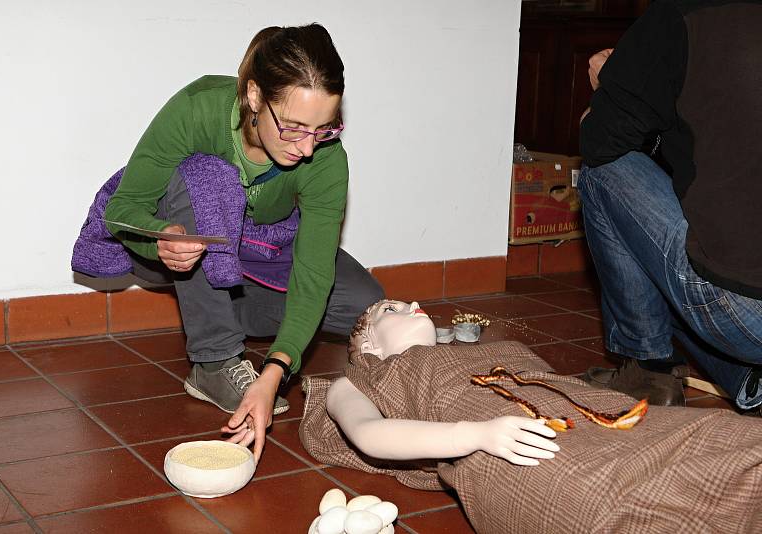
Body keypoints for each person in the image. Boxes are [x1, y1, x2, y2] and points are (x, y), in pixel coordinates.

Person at [101, 24, 383, 461]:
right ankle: (214, 359)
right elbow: (123, 211)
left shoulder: (326, 158)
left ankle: (220, 309)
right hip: (185, 240)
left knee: (364, 306)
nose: (308, 148)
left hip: (264, 251)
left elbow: (312, 272)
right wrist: (159, 243)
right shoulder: (197, 110)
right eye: (293, 127)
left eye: (323, 129)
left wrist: (276, 370)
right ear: (254, 97)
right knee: (201, 179)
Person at [296, 300, 762, 533]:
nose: (414, 305)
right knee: (606, 502)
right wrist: (476, 435)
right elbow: (368, 434)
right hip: (506, 445)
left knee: (726, 437)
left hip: (604, 416)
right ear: (369, 344)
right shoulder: (360, 381)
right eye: (391, 308)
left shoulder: (484, 347)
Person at [577, 1, 762, 409]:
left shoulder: (682, 16)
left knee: (604, 171)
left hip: (749, 319)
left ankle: (649, 370)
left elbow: (601, 142)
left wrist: (610, 83)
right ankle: (746, 376)